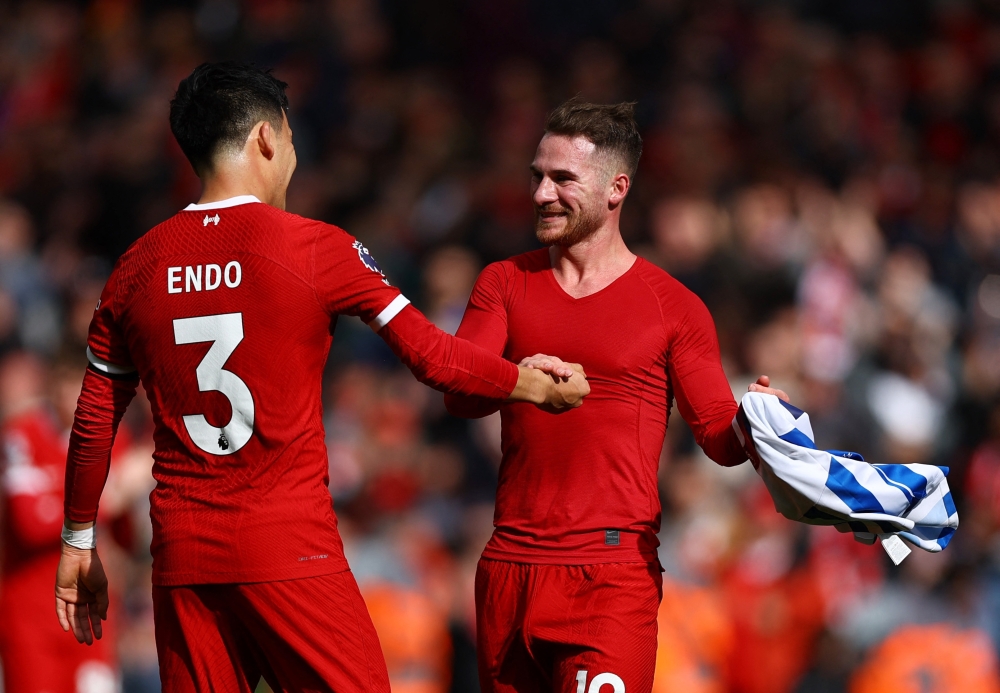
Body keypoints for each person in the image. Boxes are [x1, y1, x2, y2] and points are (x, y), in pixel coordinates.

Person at [54, 62, 589, 693]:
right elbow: (435, 360)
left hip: (183, 559)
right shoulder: (314, 247)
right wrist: (532, 385)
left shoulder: (134, 268)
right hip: (288, 549)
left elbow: (93, 420)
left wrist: (78, 542)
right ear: (265, 138)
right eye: (292, 139)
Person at [444, 98, 787, 693]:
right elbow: (460, 394)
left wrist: (757, 421)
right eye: (536, 176)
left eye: (561, 179)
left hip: (611, 574)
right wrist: (520, 376)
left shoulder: (673, 306)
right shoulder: (502, 282)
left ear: (616, 189)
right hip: (509, 566)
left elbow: (718, 438)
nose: (540, 194)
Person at [0, 352, 118, 693]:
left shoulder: (110, 439)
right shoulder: (22, 437)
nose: (81, 399)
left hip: (93, 618)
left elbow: (124, 536)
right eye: (72, 387)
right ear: (53, 387)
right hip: (32, 619)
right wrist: (106, 501)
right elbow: (30, 524)